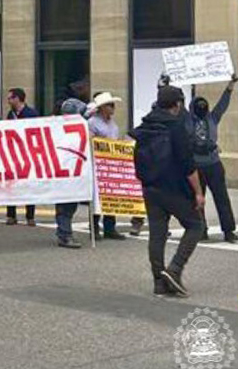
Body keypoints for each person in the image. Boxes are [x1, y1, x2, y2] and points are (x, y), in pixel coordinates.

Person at [131, 85, 205, 297]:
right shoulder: (175, 126)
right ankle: (175, 269)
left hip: (150, 187)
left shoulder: (146, 125)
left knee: (157, 233)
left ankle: (158, 282)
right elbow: (187, 164)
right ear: (178, 104)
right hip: (174, 187)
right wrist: (198, 192)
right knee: (195, 225)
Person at [188, 76, 237, 243]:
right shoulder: (187, 121)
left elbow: (223, 104)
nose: (202, 109)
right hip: (196, 164)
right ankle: (202, 230)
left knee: (222, 198)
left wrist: (230, 85)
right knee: (197, 198)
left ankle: (229, 230)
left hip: (213, 163)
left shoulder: (212, 117)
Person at [87, 92, 127, 241]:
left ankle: (110, 228)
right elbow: (90, 140)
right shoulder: (92, 122)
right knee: (97, 197)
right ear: (102, 107)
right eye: (110, 105)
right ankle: (95, 228)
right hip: (97, 163)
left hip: (110, 163)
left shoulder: (112, 123)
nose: (113, 108)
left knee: (111, 196)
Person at [55, 98, 88, 249]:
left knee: (70, 204)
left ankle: (64, 232)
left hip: (74, 170)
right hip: (64, 170)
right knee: (65, 204)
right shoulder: (57, 128)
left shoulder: (80, 127)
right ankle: (64, 234)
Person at [5, 88, 39, 226]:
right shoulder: (10, 114)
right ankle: (11, 215)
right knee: (11, 184)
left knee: (29, 184)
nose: (8, 101)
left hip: (28, 153)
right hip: (13, 153)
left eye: (10, 98)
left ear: (17, 99)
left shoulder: (32, 114)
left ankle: (30, 216)